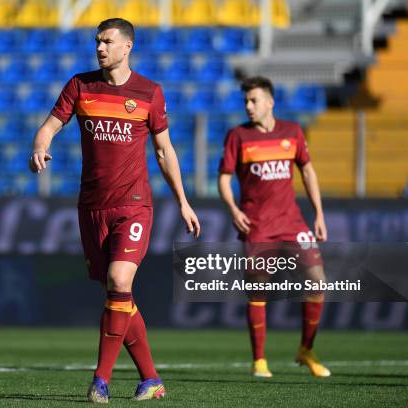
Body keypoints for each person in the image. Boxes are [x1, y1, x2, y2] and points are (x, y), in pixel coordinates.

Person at [29, 18, 200, 403]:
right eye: (97, 41)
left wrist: (184, 202)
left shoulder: (149, 93)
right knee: (118, 292)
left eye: (107, 41)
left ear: (127, 47)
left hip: (134, 205)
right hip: (91, 207)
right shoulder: (79, 85)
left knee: (120, 281)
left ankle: (100, 380)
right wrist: (39, 147)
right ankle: (151, 379)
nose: (100, 48)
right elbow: (48, 127)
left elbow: (163, 150)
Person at [218, 76, 331, 378]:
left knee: (317, 281)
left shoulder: (292, 132)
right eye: (245, 101)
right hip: (257, 226)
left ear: (270, 102)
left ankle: (306, 349)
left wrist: (319, 214)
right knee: (258, 291)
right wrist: (233, 209)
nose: (248, 106)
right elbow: (224, 177)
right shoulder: (238, 136)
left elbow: (307, 172)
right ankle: (259, 360)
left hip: (293, 224)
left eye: (254, 100)